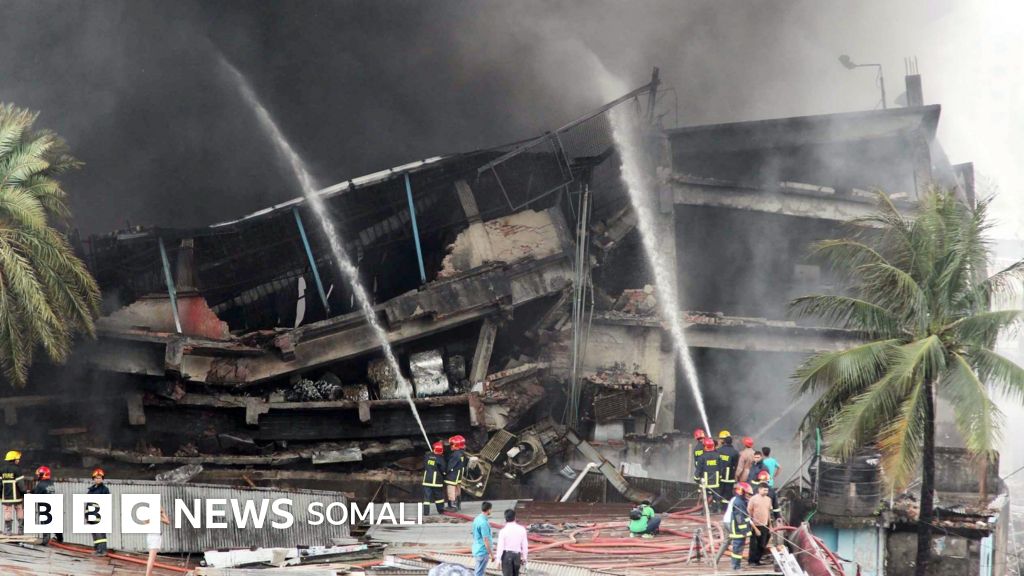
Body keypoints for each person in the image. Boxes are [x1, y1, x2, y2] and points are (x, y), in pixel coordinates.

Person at [726, 482, 758, 571]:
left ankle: (736, 565)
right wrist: (744, 530)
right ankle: (736, 566)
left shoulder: (741, 501)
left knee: (739, 548)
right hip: (738, 530)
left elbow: (745, 517)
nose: (749, 496)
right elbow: (740, 518)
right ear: (742, 492)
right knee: (737, 548)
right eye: (748, 494)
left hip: (740, 529)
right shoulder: (739, 502)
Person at [31, 466, 62, 545]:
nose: (38, 476)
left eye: (39, 474)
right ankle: (60, 539)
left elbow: (36, 494)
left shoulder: (40, 484)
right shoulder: (50, 482)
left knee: (45, 522)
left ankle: (46, 540)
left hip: (44, 506)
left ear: (43, 474)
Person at [495, 508, 528, 576]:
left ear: (505, 519)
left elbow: (500, 547)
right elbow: (525, 545)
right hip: (517, 556)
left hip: (506, 556)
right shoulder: (522, 529)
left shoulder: (503, 531)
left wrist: (498, 560)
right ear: (515, 517)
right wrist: (524, 557)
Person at [747, 482, 773, 566]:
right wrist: (753, 527)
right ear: (759, 490)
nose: (766, 492)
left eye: (767, 490)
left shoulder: (768, 499)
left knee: (762, 544)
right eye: (764, 490)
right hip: (755, 525)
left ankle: (757, 560)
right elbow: (749, 513)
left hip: (765, 524)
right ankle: (751, 561)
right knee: (754, 544)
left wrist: (770, 525)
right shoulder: (753, 499)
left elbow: (768, 513)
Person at [695, 437, 723, 511]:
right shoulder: (718, 456)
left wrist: (696, 478)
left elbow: (698, 469)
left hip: (705, 482)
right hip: (716, 481)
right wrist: (720, 477)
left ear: (705, 446)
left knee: (705, 497)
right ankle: (718, 509)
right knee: (716, 496)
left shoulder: (702, 457)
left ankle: (704, 510)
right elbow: (721, 468)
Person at [1, 450, 26, 535]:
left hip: (6, 496)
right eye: (18, 459)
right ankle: (20, 530)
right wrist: (24, 493)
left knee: (7, 512)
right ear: (14, 459)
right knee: (19, 510)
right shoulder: (17, 469)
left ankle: (8, 531)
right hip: (17, 496)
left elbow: (0, 484)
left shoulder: (2, 469)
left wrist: (0, 495)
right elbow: (21, 484)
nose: (18, 460)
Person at [87, 468, 110, 556]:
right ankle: (97, 549)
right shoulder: (91, 490)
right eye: (96, 478)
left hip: (100, 515)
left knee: (100, 533)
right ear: (93, 479)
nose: (98, 479)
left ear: (102, 479)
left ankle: (102, 550)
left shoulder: (104, 490)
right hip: (92, 514)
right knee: (95, 533)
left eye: (100, 478)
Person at [144, 507, 171, 576]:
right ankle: (148, 574)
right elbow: (167, 521)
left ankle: (149, 574)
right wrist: (163, 513)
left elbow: (145, 521)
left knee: (151, 557)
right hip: (154, 537)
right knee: (151, 558)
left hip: (151, 536)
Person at [422, 441, 447, 515]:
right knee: (439, 497)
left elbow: (424, 465)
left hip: (427, 480)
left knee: (426, 497)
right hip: (437, 481)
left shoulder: (427, 456)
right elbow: (443, 469)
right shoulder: (440, 459)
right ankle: (440, 510)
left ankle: (426, 512)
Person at [716, 431, 740, 507]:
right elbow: (736, 465)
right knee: (728, 494)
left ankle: (717, 507)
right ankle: (725, 508)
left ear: (724, 441)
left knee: (719, 492)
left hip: (720, 476)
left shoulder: (718, 451)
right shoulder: (735, 452)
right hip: (730, 477)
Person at [471, 501, 494, 576]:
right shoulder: (484, 523)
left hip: (477, 549)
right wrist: (491, 554)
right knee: (479, 573)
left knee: (478, 571)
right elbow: (486, 540)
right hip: (482, 551)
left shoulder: (477, 519)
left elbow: (474, 534)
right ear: (489, 510)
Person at [445, 435, 467, 511]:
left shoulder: (456, 454)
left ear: (456, 445)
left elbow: (450, 465)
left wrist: (445, 472)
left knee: (451, 488)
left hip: (453, 475)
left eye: (452, 444)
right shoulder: (462, 453)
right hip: (458, 474)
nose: (450, 446)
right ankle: (458, 505)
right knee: (458, 488)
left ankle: (452, 506)